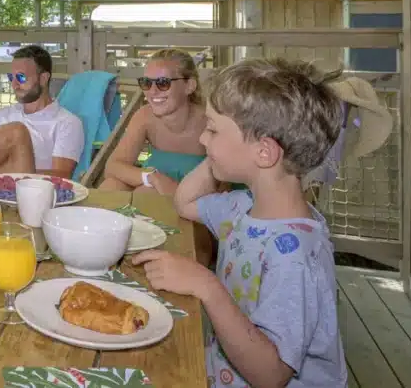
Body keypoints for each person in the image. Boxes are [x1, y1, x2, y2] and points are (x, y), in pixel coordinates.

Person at [133, 57, 346, 387]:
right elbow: (184, 202)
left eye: (213, 130)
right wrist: (218, 157)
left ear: (264, 152)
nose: (202, 140)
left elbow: (270, 374)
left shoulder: (295, 256)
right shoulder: (242, 207)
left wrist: (206, 286)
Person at [99, 48, 207, 195]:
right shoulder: (145, 116)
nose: (153, 91)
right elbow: (112, 167)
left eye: (163, 83)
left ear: (189, 86)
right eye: (146, 83)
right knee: (112, 186)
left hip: (199, 198)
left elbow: (222, 186)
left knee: (145, 193)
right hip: (155, 186)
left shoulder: (209, 122)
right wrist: (151, 178)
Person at [0, 45, 85, 178]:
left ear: (43, 79)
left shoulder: (67, 123)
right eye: (11, 77)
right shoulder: (1, 115)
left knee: (17, 131)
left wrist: (5, 173)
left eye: (21, 77)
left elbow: (60, 175)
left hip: (31, 192)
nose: (14, 84)